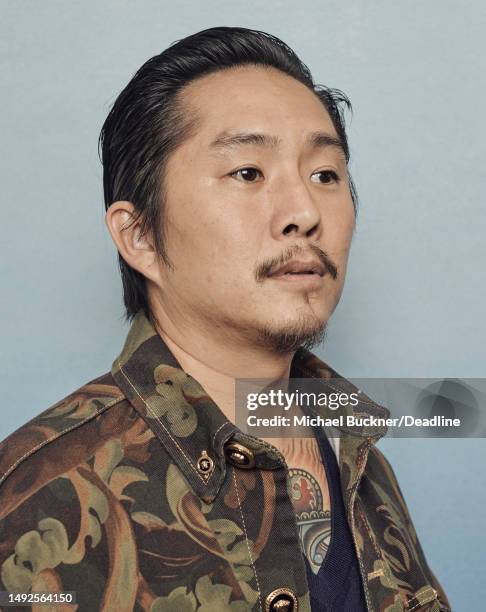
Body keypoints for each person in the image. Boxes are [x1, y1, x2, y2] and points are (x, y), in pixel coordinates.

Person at [0, 27, 450, 612]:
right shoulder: (41, 497)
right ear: (140, 237)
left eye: (325, 175)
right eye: (248, 173)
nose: (305, 213)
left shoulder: (363, 462)